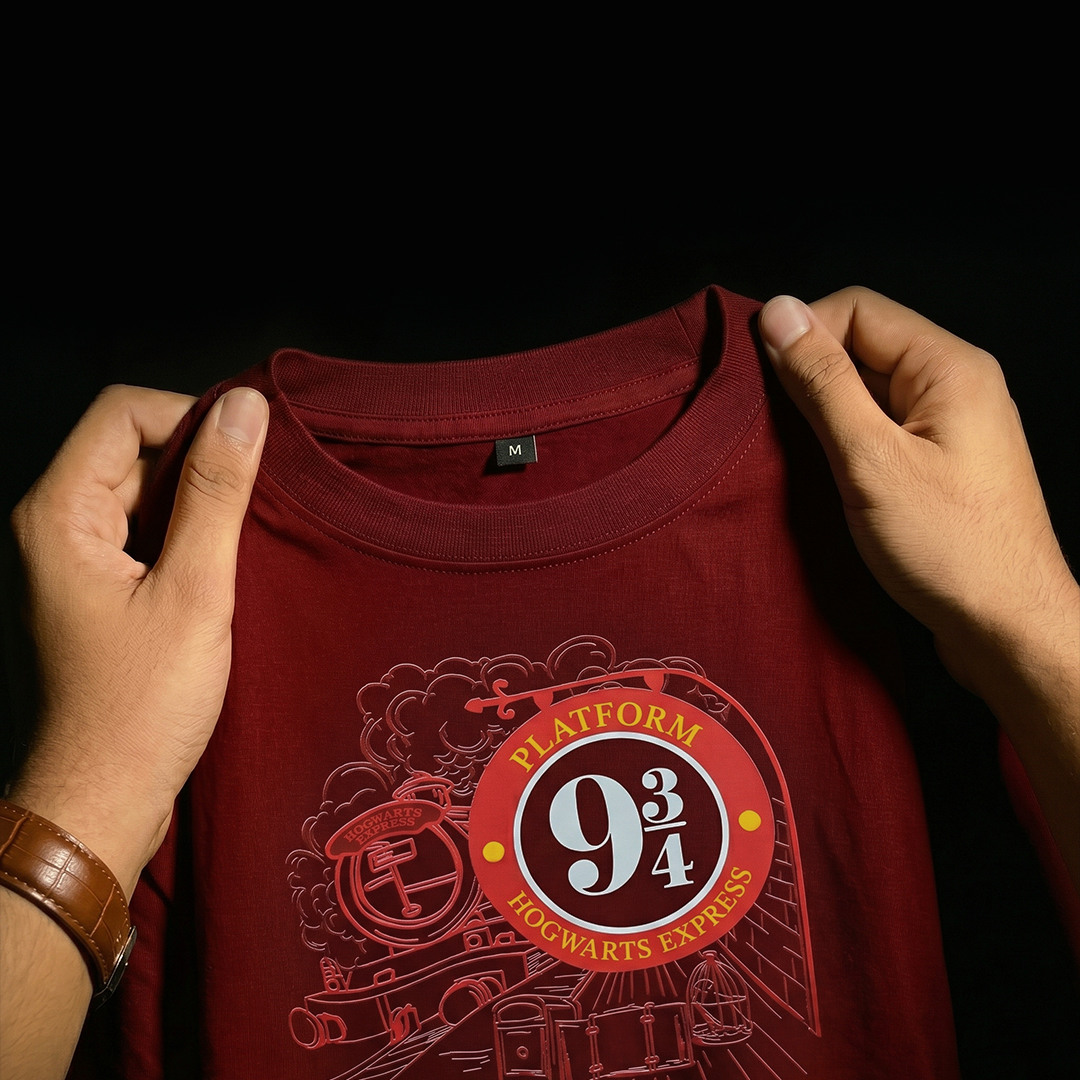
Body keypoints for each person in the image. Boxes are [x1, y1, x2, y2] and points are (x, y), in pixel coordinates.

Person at [0, 288, 1076, 1080]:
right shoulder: (184, 563)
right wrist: (95, 774)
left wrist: (1034, 622)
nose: (404, 880)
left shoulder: (849, 470)